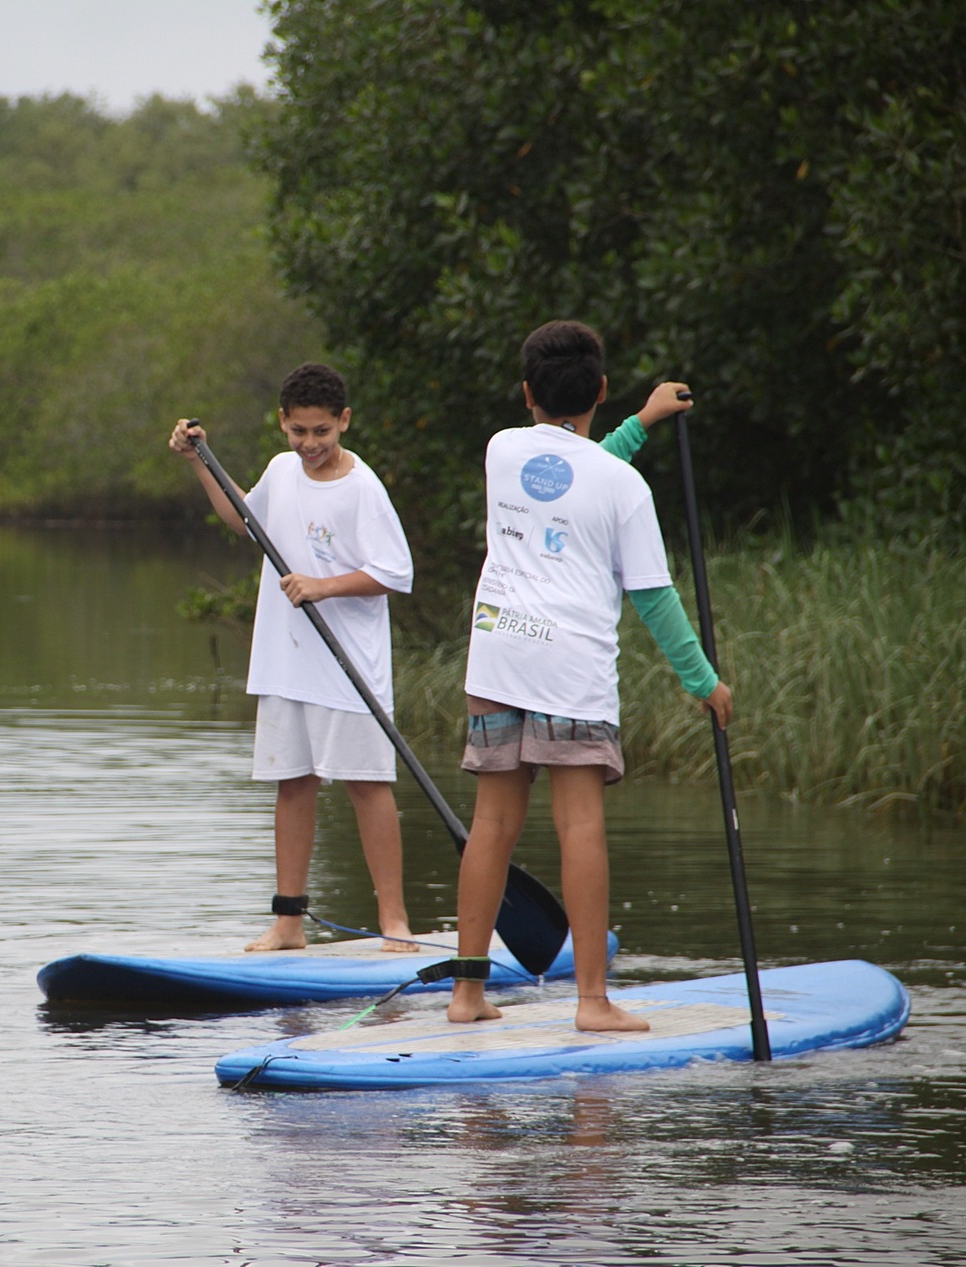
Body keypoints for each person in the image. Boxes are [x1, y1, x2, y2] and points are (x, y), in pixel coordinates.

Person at [447, 320, 734, 1032]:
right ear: (600, 389)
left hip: (496, 657)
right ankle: (591, 1002)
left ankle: (465, 996)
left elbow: (571, 470)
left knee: (491, 824)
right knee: (579, 825)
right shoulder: (622, 486)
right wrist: (703, 681)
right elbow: (653, 596)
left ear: (526, 393)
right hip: (569, 670)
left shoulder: (501, 449)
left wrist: (642, 422)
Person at [168, 362, 416, 952]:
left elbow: (395, 572)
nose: (309, 444)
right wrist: (200, 462)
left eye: (321, 431)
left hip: (347, 670)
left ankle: (395, 923)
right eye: (299, 431)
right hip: (285, 663)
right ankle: (289, 921)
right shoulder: (281, 471)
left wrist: (323, 586)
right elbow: (246, 522)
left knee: (367, 785)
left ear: (344, 421)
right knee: (293, 784)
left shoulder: (362, 488)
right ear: (282, 422)